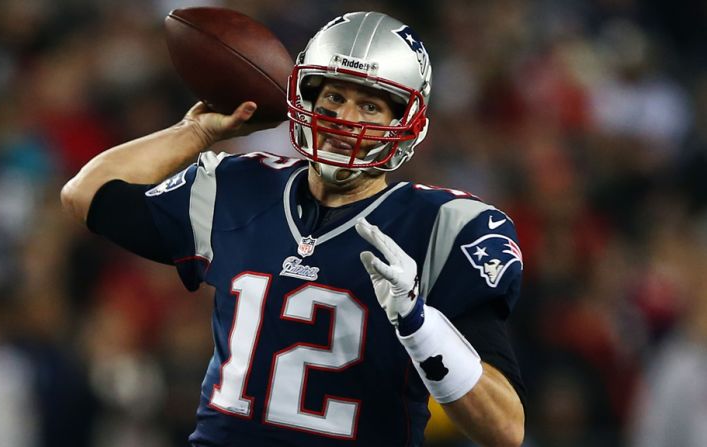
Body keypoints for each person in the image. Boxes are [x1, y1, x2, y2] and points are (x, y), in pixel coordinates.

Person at [62, 11, 525, 447]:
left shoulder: (443, 225)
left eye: (370, 106)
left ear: (405, 123)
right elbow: (85, 193)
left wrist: (419, 325)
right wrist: (196, 133)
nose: (346, 119)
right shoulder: (238, 184)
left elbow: (504, 429)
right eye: (335, 98)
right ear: (306, 100)